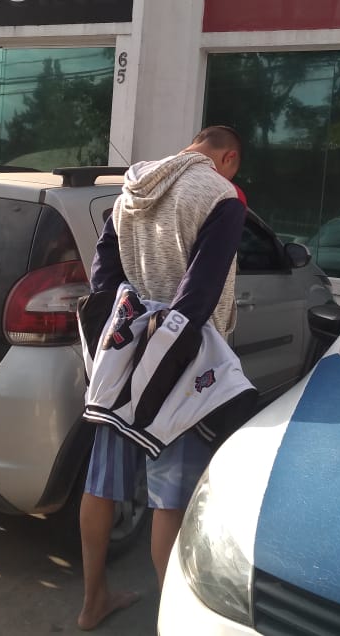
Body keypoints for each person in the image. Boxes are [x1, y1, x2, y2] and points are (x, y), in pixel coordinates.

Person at [76, 125, 247, 630]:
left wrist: (124, 337)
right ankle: (169, 623)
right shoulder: (221, 195)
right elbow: (200, 293)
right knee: (169, 500)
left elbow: (103, 276)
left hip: (123, 353)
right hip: (181, 361)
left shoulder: (131, 188)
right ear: (228, 158)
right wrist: (167, 349)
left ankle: (92, 601)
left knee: (102, 484)